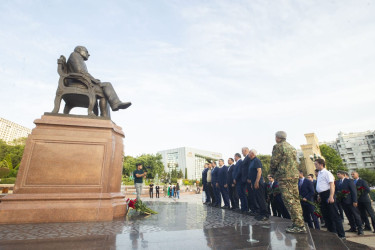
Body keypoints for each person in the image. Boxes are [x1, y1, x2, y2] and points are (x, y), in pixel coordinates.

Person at [66, 46, 131, 116]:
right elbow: (80, 72)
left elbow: (82, 73)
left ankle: (112, 108)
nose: (88, 54)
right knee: (106, 88)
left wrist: (94, 80)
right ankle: (109, 111)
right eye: (86, 51)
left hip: (83, 81)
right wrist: (94, 81)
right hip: (79, 83)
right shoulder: (75, 55)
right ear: (79, 50)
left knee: (106, 87)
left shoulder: (78, 57)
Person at [269, 131, 306, 233]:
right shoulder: (291, 147)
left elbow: (274, 161)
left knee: (289, 200)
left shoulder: (278, 147)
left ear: (278, 138)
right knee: (295, 199)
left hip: (284, 176)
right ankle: (300, 222)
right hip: (294, 175)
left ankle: (298, 225)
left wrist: (272, 172)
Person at [315, 158, 345, 239]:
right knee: (326, 216)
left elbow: (332, 185)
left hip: (328, 194)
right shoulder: (320, 174)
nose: (315, 165)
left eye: (316, 164)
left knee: (334, 215)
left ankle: (341, 235)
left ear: (321, 164)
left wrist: (331, 196)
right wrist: (319, 195)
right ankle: (332, 233)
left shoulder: (327, 173)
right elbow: (321, 186)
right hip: (322, 195)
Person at [336, 170, 363, 235]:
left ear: (343, 174)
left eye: (339, 174)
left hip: (350, 201)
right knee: (348, 215)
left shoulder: (349, 181)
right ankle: (353, 227)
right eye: (337, 174)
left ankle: (360, 229)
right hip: (343, 202)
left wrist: (355, 201)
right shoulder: (337, 182)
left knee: (356, 215)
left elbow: (354, 191)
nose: (337, 175)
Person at [247, 149, 268, 221]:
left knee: (261, 199)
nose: (248, 154)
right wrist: (252, 183)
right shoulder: (252, 161)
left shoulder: (256, 160)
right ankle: (261, 213)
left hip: (258, 183)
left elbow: (259, 171)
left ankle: (265, 214)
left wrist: (256, 182)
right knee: (257, 199)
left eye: (249, 152)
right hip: (254, 183)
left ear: (252, 153)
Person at [234, 148, 250, 214]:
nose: (242, 153)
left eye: (242, 152)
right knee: (241, 195)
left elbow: (240, 171)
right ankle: (243, 208)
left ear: (245, 151)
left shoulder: (241, 161)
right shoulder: (243, 160)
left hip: (241, 180)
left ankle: (245, 209)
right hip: (240, 180)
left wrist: (235, 178)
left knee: (243, 195)